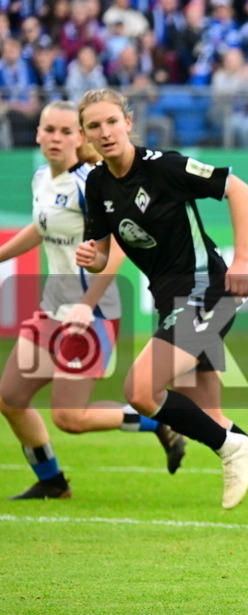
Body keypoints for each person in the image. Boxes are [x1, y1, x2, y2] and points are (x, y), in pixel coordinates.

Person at [73, 89, 248, 537]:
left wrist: (242, 260)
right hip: (171, 300)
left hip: (207, 292)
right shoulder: (97, 185)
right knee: (210, 416)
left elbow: (236, 188)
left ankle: (231, 451)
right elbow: (105, 253)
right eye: (93, 126)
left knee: (141, 390)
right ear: (85, 134)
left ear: (127, 122)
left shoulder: (164, 165)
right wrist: (92, 257)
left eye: (111, 122)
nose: (104, 132)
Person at [0, 100, 185, 501]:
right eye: (49, 130)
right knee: (10, 398)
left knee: (70, 418)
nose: (56, 138)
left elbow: (117, 246)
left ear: (81, 137)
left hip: (93, 312)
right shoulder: (41, 179)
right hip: (53, 309)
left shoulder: (92, 183)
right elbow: (42, 226)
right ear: (37, 134)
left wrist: (87, 303)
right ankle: (52, 481)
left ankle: (158, 422)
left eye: (67, 131)